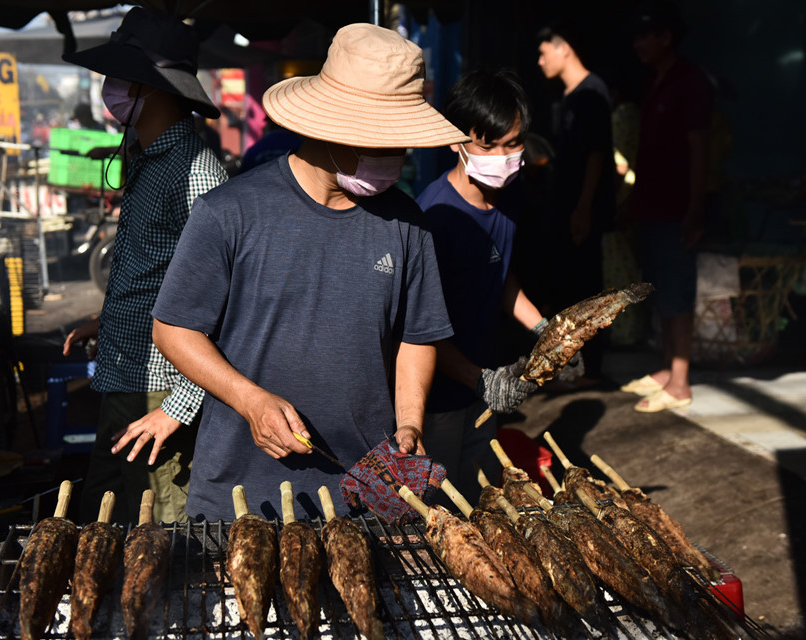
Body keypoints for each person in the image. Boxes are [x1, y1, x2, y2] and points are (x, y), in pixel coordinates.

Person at [117, 24, 535, 522]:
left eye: (403, 144)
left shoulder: (407, 222)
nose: (397, 159)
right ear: (330, 126)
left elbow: (417, 336)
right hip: (241, 497)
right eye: (383, 143)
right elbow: (173, 329)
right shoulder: (229, 211)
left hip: (366, 495)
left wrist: (410, 423)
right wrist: (249, 401)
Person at [60, 7, 227, 525]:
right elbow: (156, 271)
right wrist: (106, 320)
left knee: (159, 537)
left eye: (118, 77)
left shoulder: (196, 172)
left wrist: (178, 407)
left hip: (163, 389)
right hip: (124, 375)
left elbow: (225, 305)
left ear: (149, 87)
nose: (109, 89)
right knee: (103, 525)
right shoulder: (145, 156)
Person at [414, 69, 542, 504]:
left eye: (513, 143)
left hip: (483, 391)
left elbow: (498, 274)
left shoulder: (508, 196)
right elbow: (418, 328)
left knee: (483, 502)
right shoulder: (434, 219)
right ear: (455, 140)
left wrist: (545, 329)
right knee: (439, 512)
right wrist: (480, 380)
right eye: (487, 146)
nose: (502, 158)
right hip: (438, 402)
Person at [620, 0, 713, 412]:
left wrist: (695, 209)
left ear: (666, 38)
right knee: (659, 288)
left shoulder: (689, 82)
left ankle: (680, 381)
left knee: (678, 291)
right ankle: (666, 367)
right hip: (652, 207)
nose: (638, 44)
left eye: (646, 36)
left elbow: (699, 149)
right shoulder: (656, 82)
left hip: (677, 208)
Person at [536, 21, 617, 387]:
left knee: (585, 288)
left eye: (543, 53)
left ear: (563, 47)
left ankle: (589, 370)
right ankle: (573, 367)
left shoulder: (592, 93)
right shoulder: (571, 95)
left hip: (580, 212)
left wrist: (584, 207)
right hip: (565, 209)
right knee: (566, 287)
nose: (540, 61)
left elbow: (598, 155)